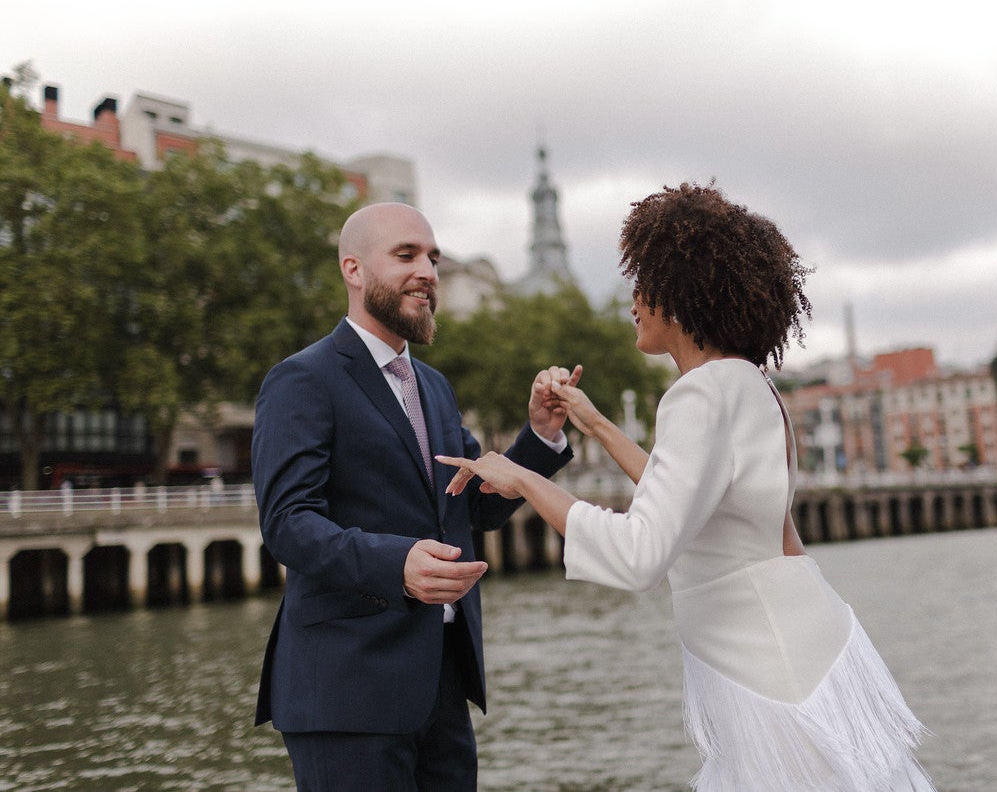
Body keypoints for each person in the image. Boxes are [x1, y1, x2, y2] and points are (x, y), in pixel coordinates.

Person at [438, 183, 933, 790]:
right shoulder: (747, 384)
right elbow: (694, 503)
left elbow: (639, 555)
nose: (633, 302)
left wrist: (520, 477)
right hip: (798, 645)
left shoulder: (699, 393)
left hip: (766, 668)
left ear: (677, 297)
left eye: (643, 285)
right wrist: (591, 421)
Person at [251, 202, 575, 791]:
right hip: (347, 692)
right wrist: (395, 564)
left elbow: (473, 504)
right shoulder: (302, 379)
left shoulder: (435, 386)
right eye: (406, 256)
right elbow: (287, 522)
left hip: (443, 686)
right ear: (353, 270)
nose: (428, 270)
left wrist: (542, 435)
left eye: (433, 257)